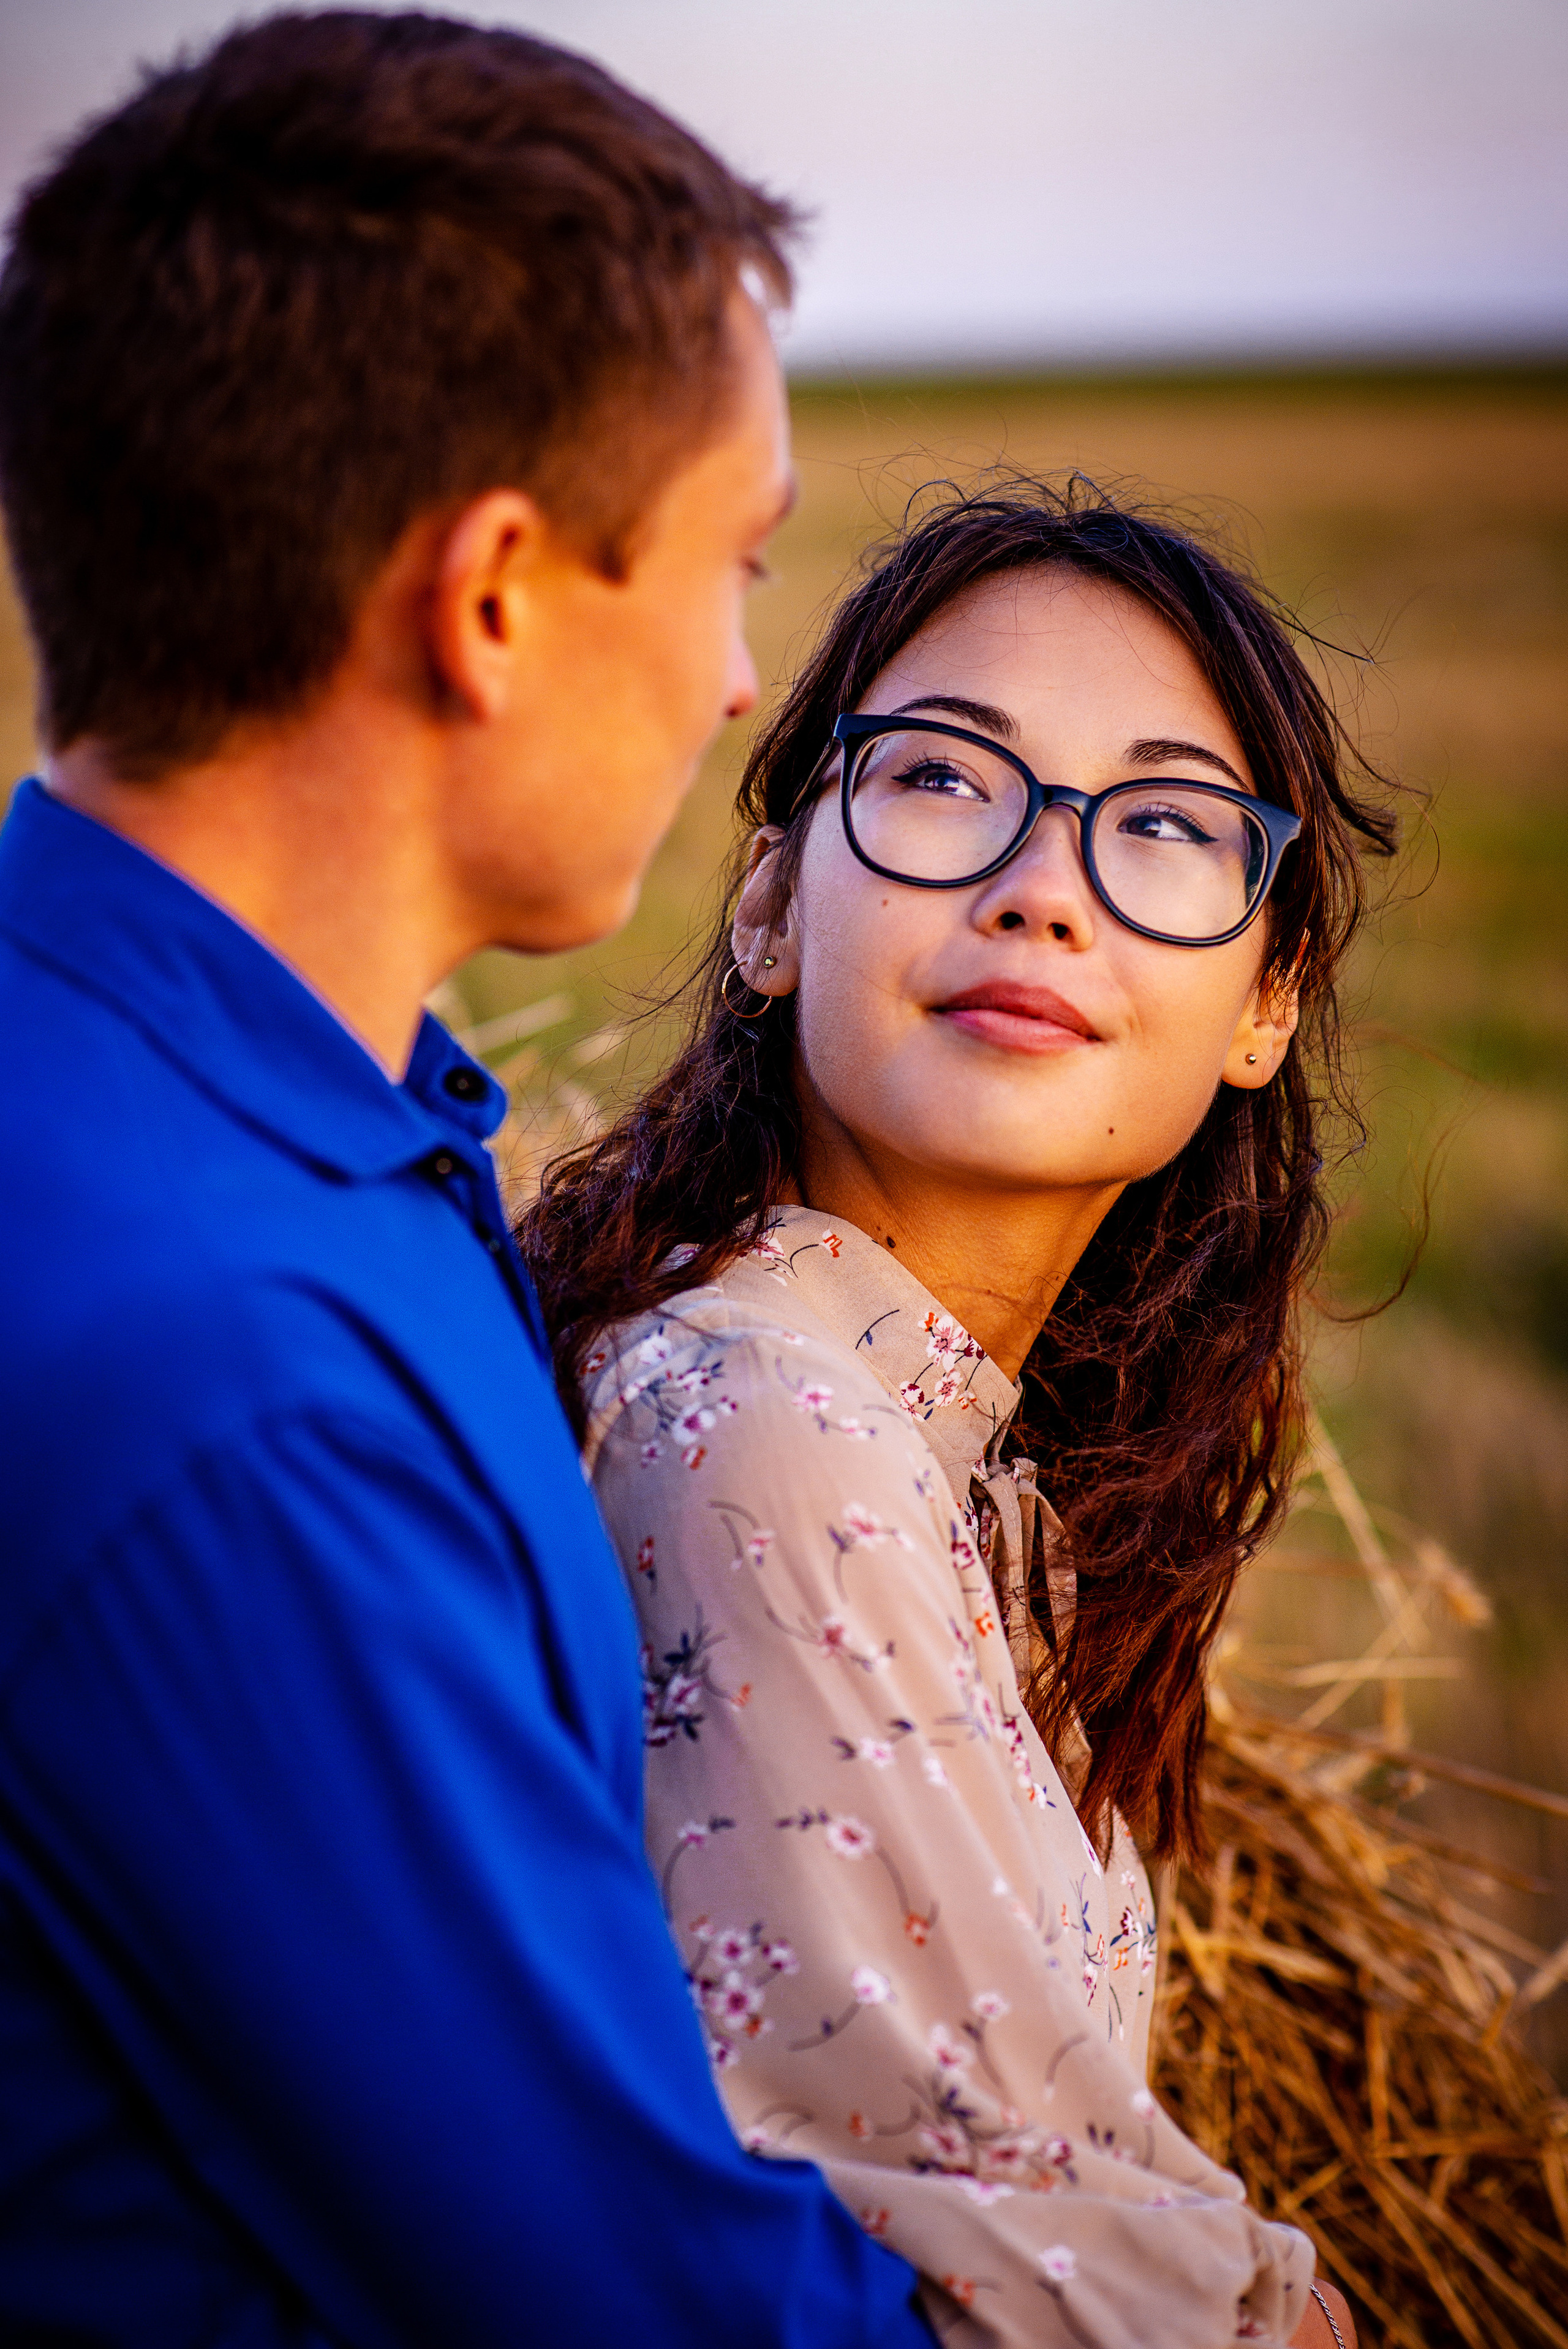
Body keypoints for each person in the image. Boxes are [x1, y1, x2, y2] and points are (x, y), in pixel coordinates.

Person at [0, 15, 942, 2345]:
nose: (746, 681)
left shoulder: (235, 1103)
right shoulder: (223, 1379)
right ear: (493, 596)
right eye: (737, 559)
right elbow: (631, 2301)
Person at [521, 482, 1385, 2347]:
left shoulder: (977, 1473)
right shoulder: (754, 1418)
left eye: (1162, 824)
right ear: (767, 903)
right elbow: (1013, 2268)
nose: (1043, 885)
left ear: (1267, 996)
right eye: (937, 776)